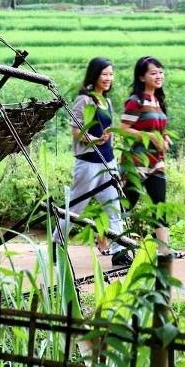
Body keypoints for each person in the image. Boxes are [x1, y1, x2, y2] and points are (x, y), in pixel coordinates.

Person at [54, 57, 130, 268]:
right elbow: (76, 131)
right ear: (94, 75)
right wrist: (96, 140)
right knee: (76, 207)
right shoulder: (84, 100)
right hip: (88, 163)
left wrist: (113, 156)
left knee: (113, 206)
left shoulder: (107, 101)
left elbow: (109, 134)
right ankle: (56, 244)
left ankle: (118, 250)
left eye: (111, 74)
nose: (108, 78)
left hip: (108, 162)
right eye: (104, 74)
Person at [118, 56, 182, 258]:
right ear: (141, 77)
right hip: (137, 163)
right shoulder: (135, 102)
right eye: (153, 73)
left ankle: (164, 250)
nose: (158, 76)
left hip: (156, 163)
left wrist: (163, 138)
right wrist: (149, 137)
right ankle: (113, 244)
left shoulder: (158, 101)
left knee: (159, 205)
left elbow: (158, 130)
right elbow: (123, 130)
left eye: (161, 72)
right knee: (126, 206)